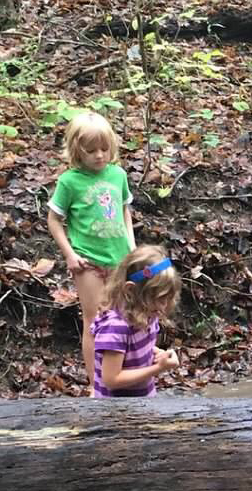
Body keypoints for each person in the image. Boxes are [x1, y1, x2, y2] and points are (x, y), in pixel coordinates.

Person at [47, 109, 135, 390]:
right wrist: (70, 254)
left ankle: (120, 376)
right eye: (91, 150)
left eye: (104, 149)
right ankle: (96, 385)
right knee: (95, 321)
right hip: (88, 262)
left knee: (122, 318)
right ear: (77, 149)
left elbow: (125, 211)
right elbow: (54, 220)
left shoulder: (118, 175)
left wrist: (132, 247)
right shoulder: (69, 181)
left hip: (120, 259)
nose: (99, 155)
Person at [91, 245, 181, 398]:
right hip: (116, 409)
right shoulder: (115, 327)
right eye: (159, 299)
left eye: (168, 298)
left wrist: (158, 354)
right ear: (131, 291)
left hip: (142, 401)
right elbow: (111, 379)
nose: (164, 306)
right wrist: (158, 368)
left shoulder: (148, 313)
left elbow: (137, 349)